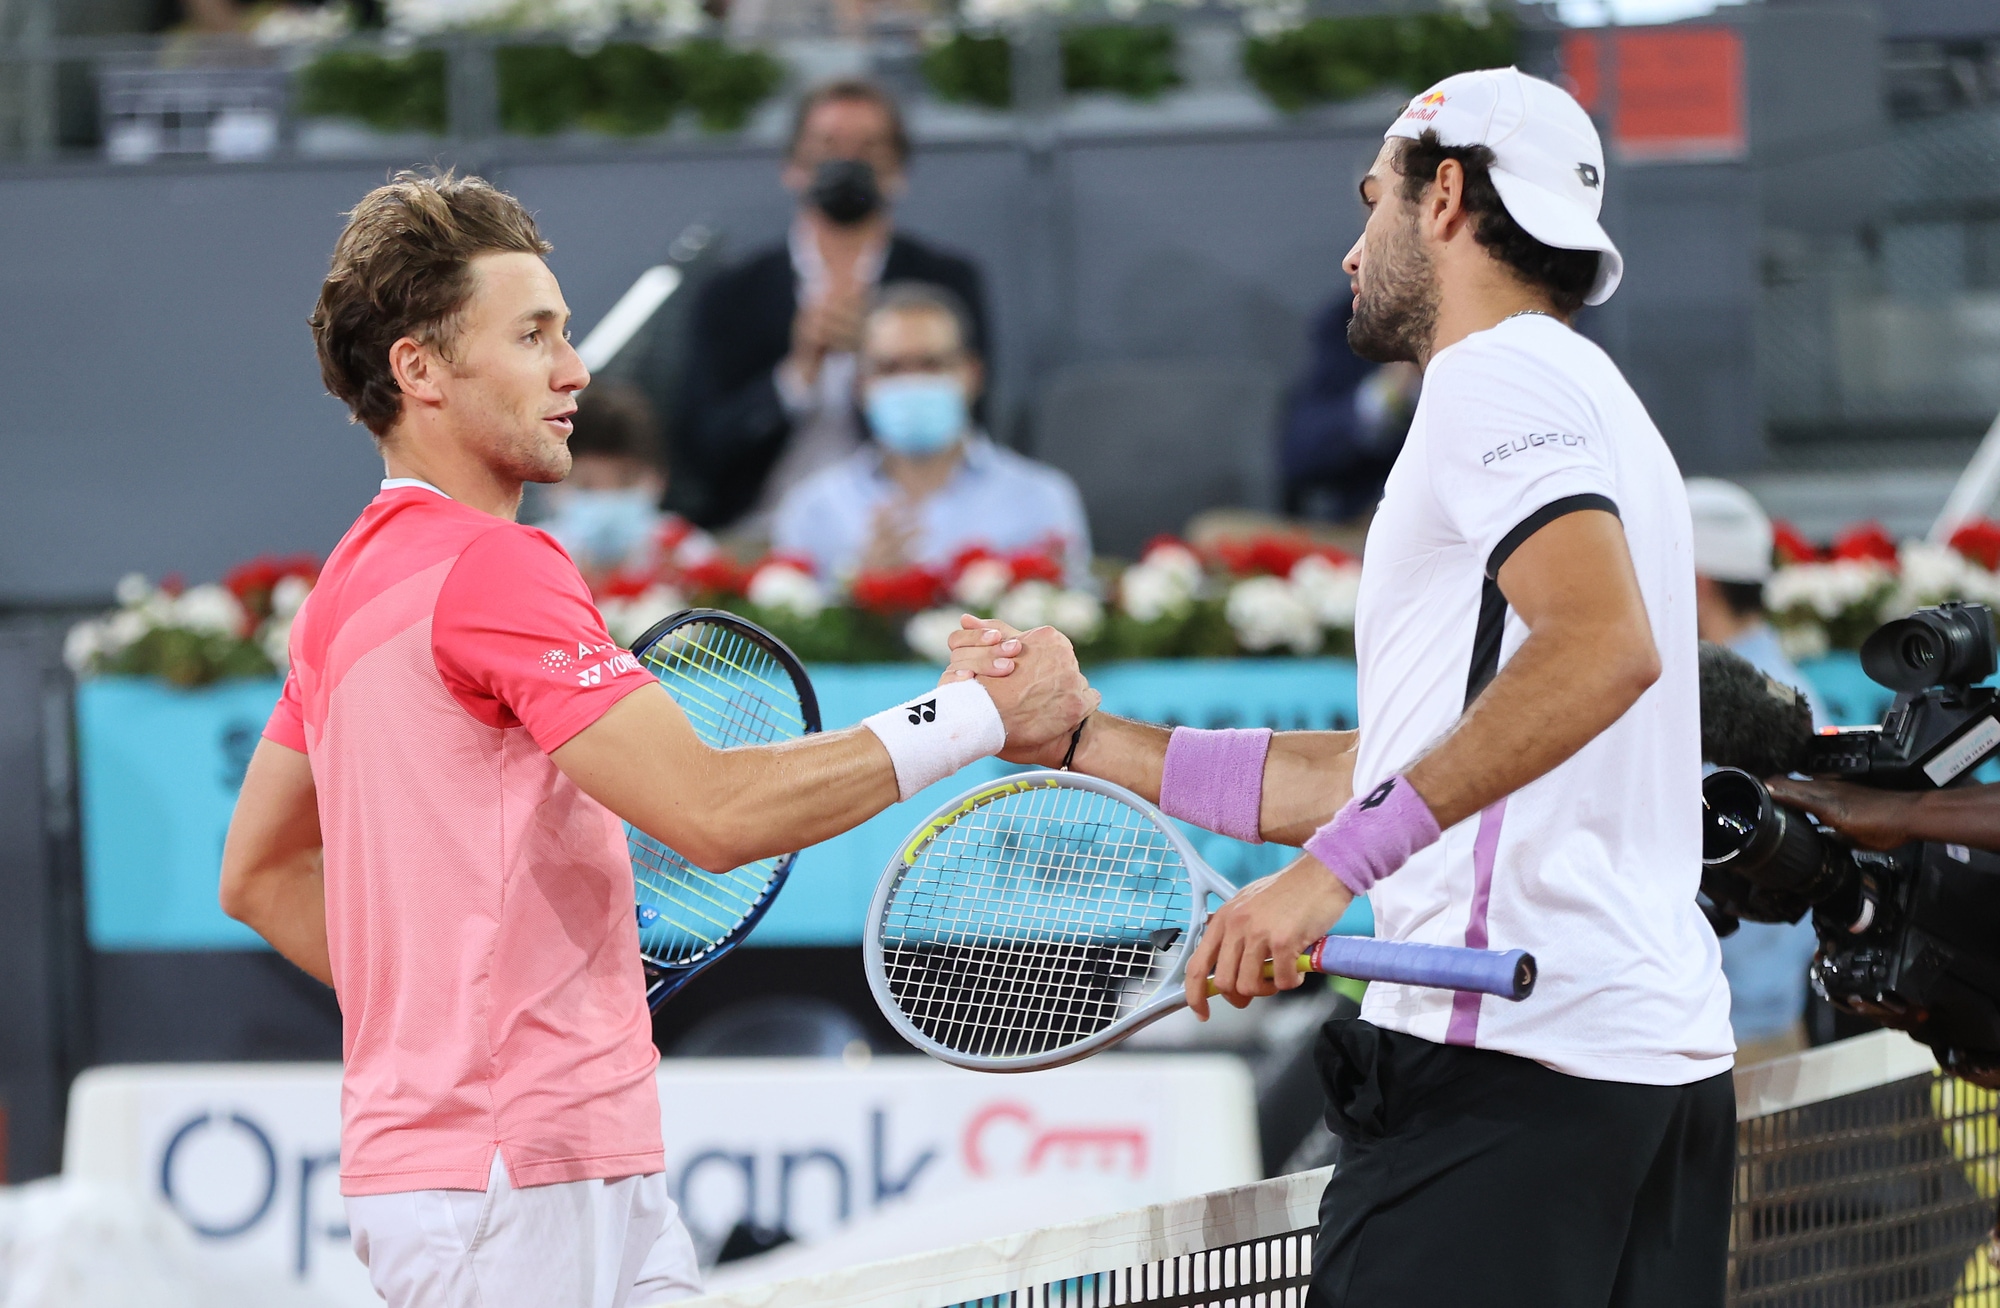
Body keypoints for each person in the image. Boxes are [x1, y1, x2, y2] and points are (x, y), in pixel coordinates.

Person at [215, 170, 1092, 1308]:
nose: (575, 369)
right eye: (532, 336)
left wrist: (469, 1010)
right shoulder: (495, 565)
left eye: (563, 332)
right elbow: (713, 814)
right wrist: (975, 714)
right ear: (420, 371)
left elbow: (258, 874)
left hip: (519, 1163)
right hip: (516, 1181)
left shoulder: (343, 590)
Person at [950, 68, 1735, 1308]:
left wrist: (1326, 878)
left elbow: (1599, 649)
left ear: (1445, 197)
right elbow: (1392, 774)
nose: (1349, 248)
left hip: (1508, 1072)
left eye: (1372, 198)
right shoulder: (1600, 403)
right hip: (1648, 1076)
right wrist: (1082, 737)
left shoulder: (1491, 376)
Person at [680, 78, 990, 531]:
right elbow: (701, 448)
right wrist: (797, 375)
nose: (846, 163)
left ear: (899, 170)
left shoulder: (944, 281)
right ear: (793, 165)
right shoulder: (733, 293)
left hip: (914, 526)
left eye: (868, 147)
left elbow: (973, 421)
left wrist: (883, 361)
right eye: (827, 145)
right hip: (761, 529)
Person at [772, 283, 1090, 586]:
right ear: (860, 385)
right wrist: (861, 589)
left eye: (931, 364)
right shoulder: (815, 509)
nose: (912, 382)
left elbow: (1075, 614)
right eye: (890, 368)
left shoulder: (1040, 500)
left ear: (972, 374)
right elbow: (789, 621)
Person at [1686, 476, 1828, 1065]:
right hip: (1771, 1021)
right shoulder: (1796, 692)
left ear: (1696, 584)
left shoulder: (1700, 706)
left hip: (1718, 1034)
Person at [535, 381, 715, 591]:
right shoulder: (536, 559)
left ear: (660, 479)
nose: (606, 499)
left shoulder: (691, 556)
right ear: (550, 484)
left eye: (626, 481)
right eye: (585, 486)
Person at [1279, 298, 1421, 523]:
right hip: (1366, 522)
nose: (1356, 281)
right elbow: (1300, 452)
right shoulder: (1347, 320)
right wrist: (1385, 397)